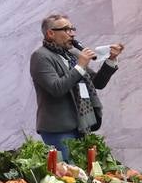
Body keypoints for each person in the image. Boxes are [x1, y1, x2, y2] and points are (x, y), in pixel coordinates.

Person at [30, 13, 123, 160]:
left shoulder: (71, 53)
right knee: (71, 175)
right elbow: (56, 88)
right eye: (66, 30)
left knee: (86, 174)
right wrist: (80, 66)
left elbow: (97, 83)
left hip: (82, 125)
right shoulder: (40, 56)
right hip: (59, 129)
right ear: (50, 33)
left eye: (72, 29)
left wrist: (111, 60)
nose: (72, 34)